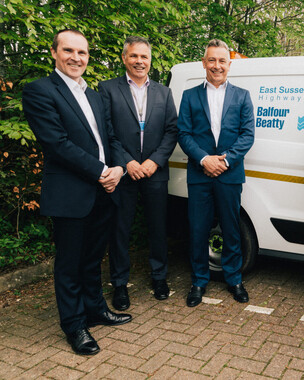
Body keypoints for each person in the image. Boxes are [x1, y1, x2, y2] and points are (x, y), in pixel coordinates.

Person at [22, 29, 132, 356]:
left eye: (82, 52)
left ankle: (96, 309)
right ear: (54, 52)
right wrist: (102, 172)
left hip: (104, 192)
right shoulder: (40, 91)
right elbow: (57, 144)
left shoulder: (95, 95)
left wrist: (119, 168)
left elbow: (110, 139)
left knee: (93, 259)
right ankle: (74, 325)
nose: (76, 58)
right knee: (69, 264)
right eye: (69, 50)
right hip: (71, 193)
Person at [99, 36, 178, 310]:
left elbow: (171, 131)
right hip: (124, 172)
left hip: (155, 172)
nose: (139, 61)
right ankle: (119, 285)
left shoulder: (164, 93)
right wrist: (126, 162)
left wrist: (155, 161)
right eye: (134, 56)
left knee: (158, 227)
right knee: (120, 230)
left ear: (150, 60)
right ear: (124, 58)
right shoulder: (107, 89)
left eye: (144, 56)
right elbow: (106, 132)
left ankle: (159, 278)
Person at [178, 39, 255, 307]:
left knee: (232, 228)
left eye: (222, 61)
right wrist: (203, 159)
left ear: (229, 64)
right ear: (204, 63)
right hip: (199, 175)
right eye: (212, 60)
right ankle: (199, 280)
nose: (217, 66)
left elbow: (247, 136)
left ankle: (234, 279)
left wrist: (225, 161)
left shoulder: (243, 96)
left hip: (229, 174)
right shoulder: (189, 96)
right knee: (198, 229)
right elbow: (184, 134)